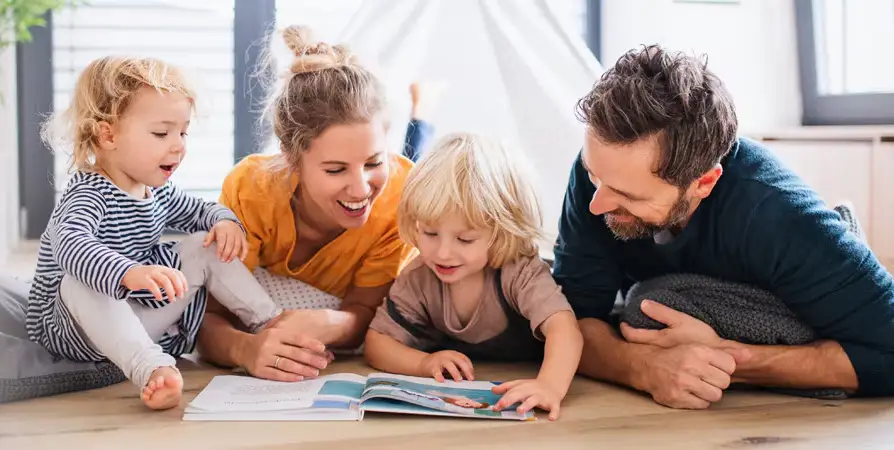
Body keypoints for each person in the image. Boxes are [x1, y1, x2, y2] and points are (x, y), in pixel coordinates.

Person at [552, 44, 894, 409]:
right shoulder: (604, 172)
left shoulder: (777, 215)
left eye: (627, 195)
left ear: (704, 182)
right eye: (593, 176)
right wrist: (643, 368)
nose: (596, 203)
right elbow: (569, 322)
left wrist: (730, 359)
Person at [27, 56, 296, 410]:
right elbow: (70, 245)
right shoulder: (89, 193)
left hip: (134, 313)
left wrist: (224, 221)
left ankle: (270, 321)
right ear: (107, 134)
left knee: (205, 243)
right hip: (73, 327)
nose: (179, 145)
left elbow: (200, 210)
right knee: (78, 281)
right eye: (161, 133)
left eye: (182, 132)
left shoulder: (157, 189)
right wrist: (127, 273)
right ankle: (151, 368)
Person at [196, 25, 433, 382]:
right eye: (336, 170)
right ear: (293, 160)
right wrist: (245, 350)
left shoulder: (400, 198)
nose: (360, 188)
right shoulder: (252, 189)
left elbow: (370, 311)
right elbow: (208, 316)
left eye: (373, 162)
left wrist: (331, 322)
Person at [364, 133, 583, 421]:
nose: (443, 253)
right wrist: (424, 363)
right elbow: (377, 342)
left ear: (501, 232)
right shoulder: (419, 276)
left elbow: (566, 330)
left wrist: (549, 386)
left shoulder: (519, 270)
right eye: (429, 233)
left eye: (465, 239)